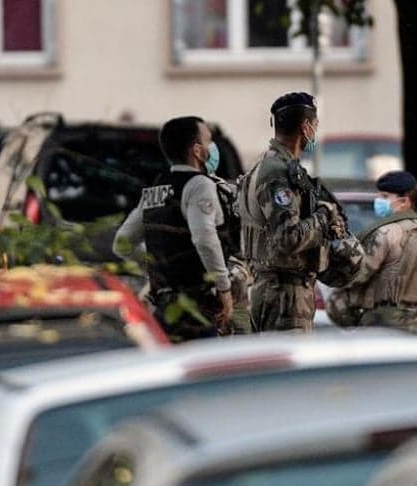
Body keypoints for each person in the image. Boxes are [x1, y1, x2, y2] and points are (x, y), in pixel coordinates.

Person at [112, 116, 234, 340]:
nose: (211, 147)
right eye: (208, 141)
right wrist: (224, 288)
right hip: (197, 306)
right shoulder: (200, 185)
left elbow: (122, 242)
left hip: (163, 307)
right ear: (197, 151)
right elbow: (205, 238)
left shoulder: (156, 187)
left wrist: (158, 269)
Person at [237, 92, 344, 332]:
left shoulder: (268, 165)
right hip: (285, 299)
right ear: (305, 127)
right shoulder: (278, 173)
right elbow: (288, 237)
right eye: (315, 125)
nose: (315, 132)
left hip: (275, 292)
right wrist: (324, 216)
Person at [325, 171, 417, 334]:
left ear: (404, 201)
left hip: (381, 322)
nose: (378, 201)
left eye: (385, 196)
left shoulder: (386, 232)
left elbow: (357, 274)